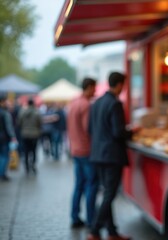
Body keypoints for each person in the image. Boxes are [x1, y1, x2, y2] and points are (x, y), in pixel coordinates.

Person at [87, 72, 133, 240]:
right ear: (120, 85)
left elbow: (90, 130)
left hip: (97, 154)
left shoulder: (96, 103)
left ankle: (112, 232)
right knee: (110, 194)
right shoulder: (115, 104)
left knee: (107, 193)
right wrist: (132, 131)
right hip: (112, 156)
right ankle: (94, 230)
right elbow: (118, 132)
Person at [67, 78, 99, 229]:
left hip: (75, 150)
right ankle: (91, 220)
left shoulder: (73, 103)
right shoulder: (86, 105)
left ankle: (75, 217)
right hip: (86, 150)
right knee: (91, 185)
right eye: (94, 88)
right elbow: (89, 128)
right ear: (90, 87)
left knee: (79, 185)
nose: (95, 91)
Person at [17, 99, 42, 174]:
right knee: (34, 151)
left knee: (26, 151)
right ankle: (33, 165)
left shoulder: (22, 112)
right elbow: (40, 123)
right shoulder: (37, 112)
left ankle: (26, 166)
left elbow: (19, 123)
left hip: (25, 134)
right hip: (34, 134)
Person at [0, 95, 17, 181]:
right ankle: (2, 174)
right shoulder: (5, 113)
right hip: (4, 138)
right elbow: (9, 126)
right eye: (6, 101)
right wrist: (13, 137)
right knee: (4, 156)